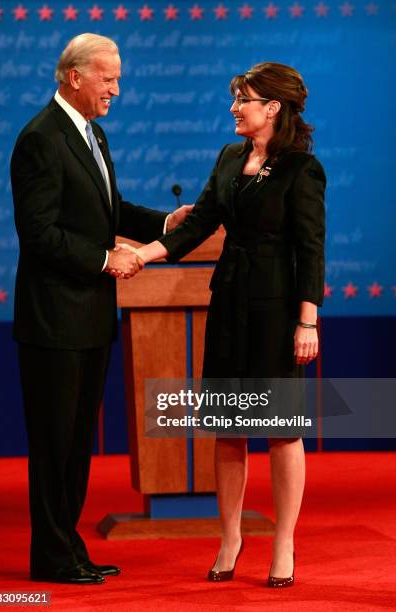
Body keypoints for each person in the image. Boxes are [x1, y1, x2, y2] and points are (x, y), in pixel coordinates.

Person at [112, 62, 326, 587]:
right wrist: (144, 255)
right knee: (228, 430)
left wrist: (307, 322)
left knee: (280, 432)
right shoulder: (231, 157)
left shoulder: (301, 168)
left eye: (243, 100)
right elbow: (201, 222)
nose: (234, 108)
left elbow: (311, 250)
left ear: (273, 107)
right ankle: (230, 537)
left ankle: (284, 543)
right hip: (229, 305)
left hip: (276, 313)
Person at [10, 33, 191, 585]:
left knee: (77, 446)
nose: (117, 87)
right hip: (53, 322)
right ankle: (52, 557)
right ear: (75, 77)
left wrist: (165, 224)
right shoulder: (41, 138)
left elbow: (108, 210)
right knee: (54, 444)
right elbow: (39, 234)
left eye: (118, 76)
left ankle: (69, 549)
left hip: (89, 321)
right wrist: (105, 260)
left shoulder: (92, 133)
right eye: (109, 77)